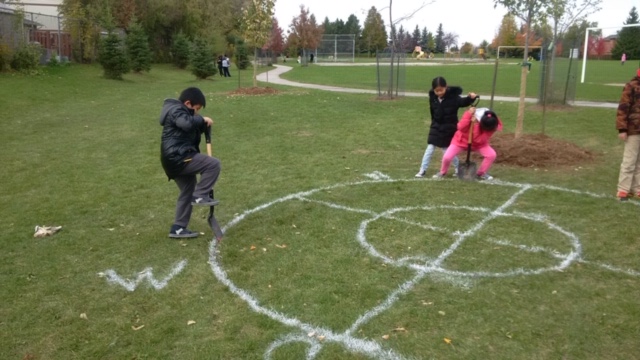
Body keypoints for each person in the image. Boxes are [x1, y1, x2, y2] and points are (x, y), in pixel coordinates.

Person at [160, 87, 221, 238]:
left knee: (187, 190)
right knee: (213, 164)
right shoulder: (176, 110)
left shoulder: (180, 112)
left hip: (173, 160)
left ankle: (178, 228)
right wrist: (201, 119)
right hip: (178, 157)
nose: (197, 113)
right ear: (188, 103)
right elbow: (186, 124)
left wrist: (202, 127)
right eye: (197, 109)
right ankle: (200, 195)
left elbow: (187, 130)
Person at [415, 76, 478, 178]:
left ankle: (458, 168)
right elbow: (433, 111)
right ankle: (422, 170)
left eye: (441, 90)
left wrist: (471, 98)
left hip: (449, 127)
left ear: (446, 87)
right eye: (437, 91)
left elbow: (462, 102)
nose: (439, 93)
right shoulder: (433, 97)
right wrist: (434, 123)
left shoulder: (453, 97)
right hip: (435, 127)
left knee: (447, 150)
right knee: (430, 148)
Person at [433, 107, 503, 181]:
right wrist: (468, 116)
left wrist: (475, 126)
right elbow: (460, 127)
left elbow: (478, 140)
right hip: (460, 141)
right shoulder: (470, 115)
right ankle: (442, 172)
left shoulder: (492, 125)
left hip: (479, 144)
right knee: (447, 157)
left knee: (491, 155)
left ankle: (481, 173)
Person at [615, 66, 640, 201]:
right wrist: (622, 129)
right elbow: (623, 108)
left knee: (639, 162)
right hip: (633, 129)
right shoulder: (631, 86)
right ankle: (623, 190)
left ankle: (637, 188)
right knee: (629, 161)